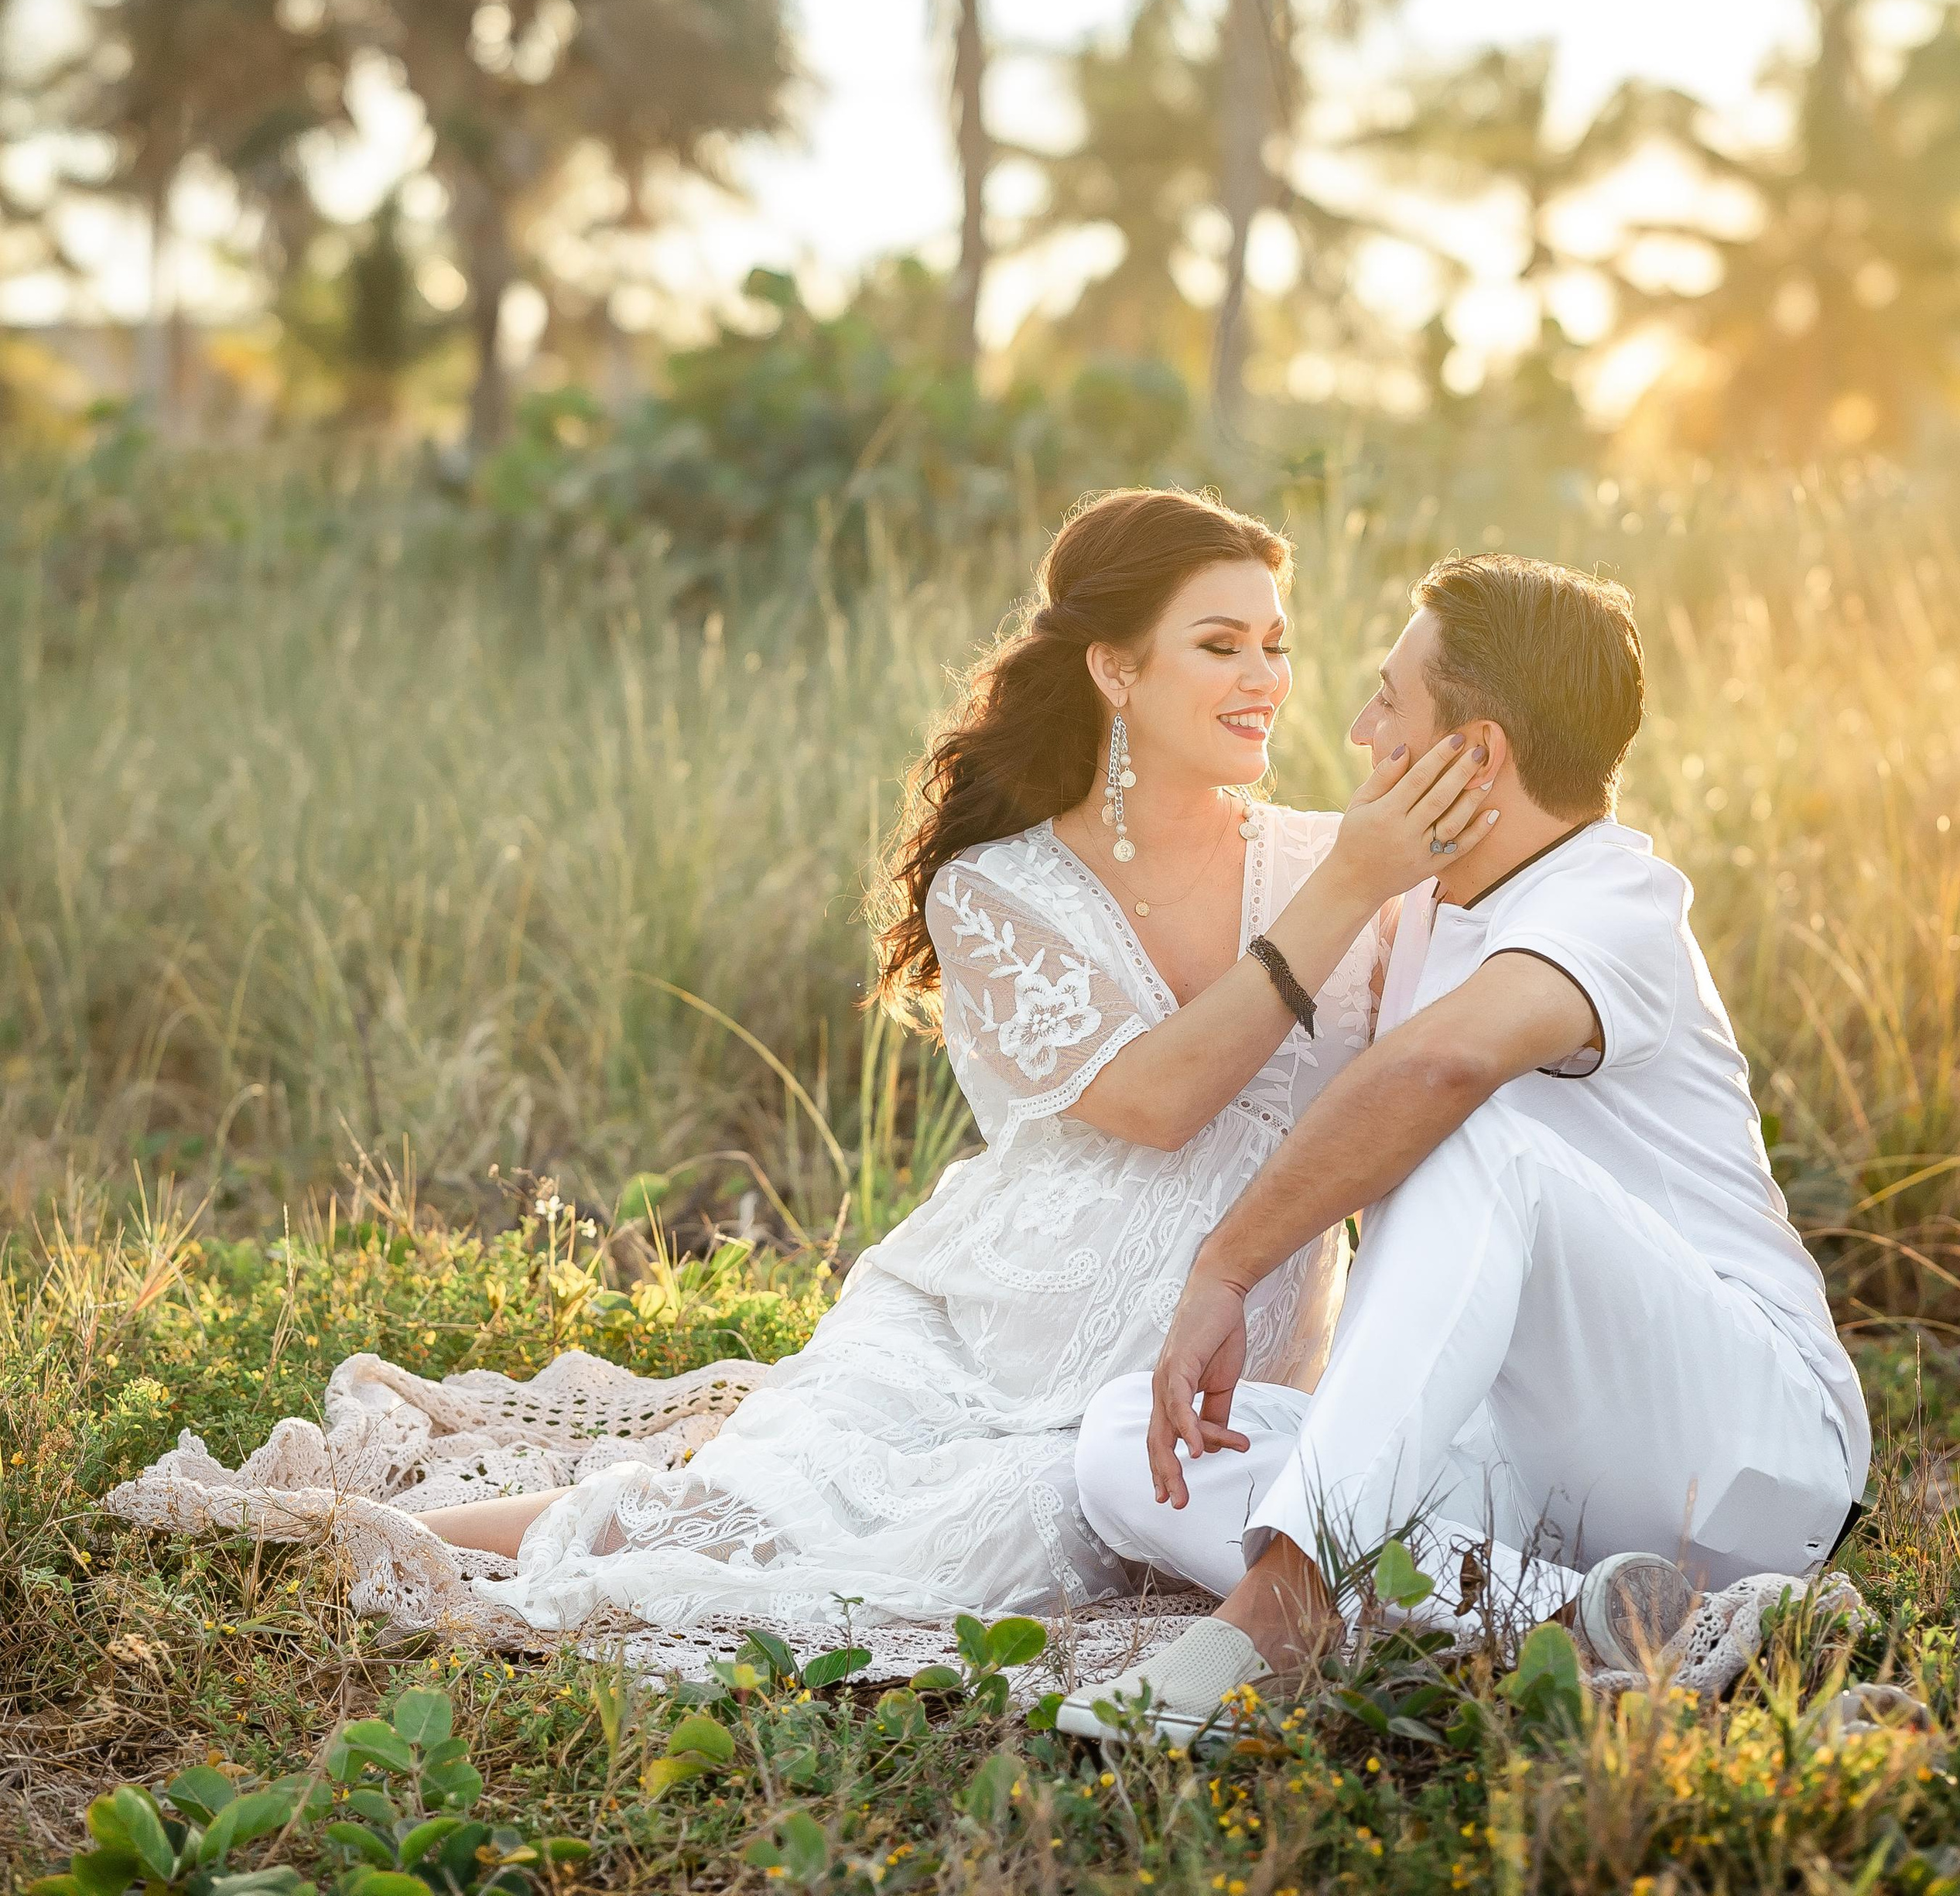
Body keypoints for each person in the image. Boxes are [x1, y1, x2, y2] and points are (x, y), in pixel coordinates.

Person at [116, 489, 1491, 1668]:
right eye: (1220, 644)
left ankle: (407, 1538)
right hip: (995, 1317)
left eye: (1277, 643)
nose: (1267, 678)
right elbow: (1155, 1100)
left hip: (1193, 1357)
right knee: (761, 1519)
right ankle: (353, 1544)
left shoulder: (1342, 859)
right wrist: (1351, 887)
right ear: (1116, 671)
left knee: (992, 1543)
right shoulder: (1002, 891)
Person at [1065, 553, 1870, 1744]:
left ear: (1474, 755)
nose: (1359, 728)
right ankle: (1609, 1621)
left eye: (1389, 700)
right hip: (1542, 1469)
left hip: (1742, 1445)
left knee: (1475, 1131)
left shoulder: (1614, 903)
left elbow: (1436, 1073)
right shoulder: (1427, 909)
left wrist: (1227, 1268)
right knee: (1127, 1450)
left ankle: (1288, 1602)